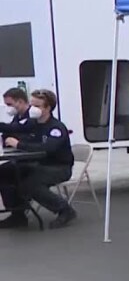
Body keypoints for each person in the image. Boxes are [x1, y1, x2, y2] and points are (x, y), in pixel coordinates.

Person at [0, 89, 77, 229]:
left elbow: (47, 148)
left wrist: (19, 144)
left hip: (58, 167)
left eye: (37, 106)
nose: (33, 109)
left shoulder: (56, 127)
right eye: (32, 105)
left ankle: (65, 210)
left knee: (30, 183)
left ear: (48, 108)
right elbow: (12, 128)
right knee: (4, 172)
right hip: (36, 163)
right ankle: (17, 215)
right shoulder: (32, 123)